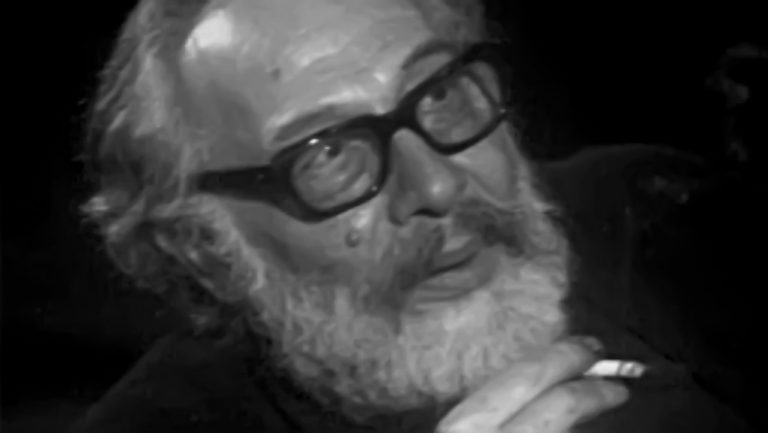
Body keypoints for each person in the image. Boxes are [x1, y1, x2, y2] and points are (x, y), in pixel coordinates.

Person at [71, 0, 755, 432]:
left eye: (441, 91)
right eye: (327, 153)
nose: (437, 183)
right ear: (204, 248)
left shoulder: (657, 212)